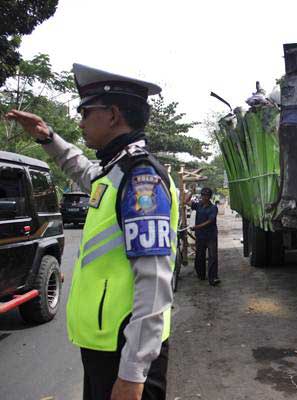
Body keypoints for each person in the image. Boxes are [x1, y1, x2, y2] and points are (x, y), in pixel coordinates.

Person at [5, 63, 178, 400]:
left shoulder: (141, 179)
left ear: (113, 115)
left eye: (85, 111)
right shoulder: (116, 169)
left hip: (126, 350)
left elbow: (155, 284)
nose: (80, 121)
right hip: (108, 344)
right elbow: (84, 170)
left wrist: (133, 373)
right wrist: (47, 137)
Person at [190, 187, 220, 286]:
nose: (204, 197)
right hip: (200, 236)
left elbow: (210, 221)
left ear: (209, 197)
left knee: (213, 257)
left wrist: (197, 226)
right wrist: (191, 191)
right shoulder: (199, 205)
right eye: (202, 195)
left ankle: (213, 278)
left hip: (211, 236)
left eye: (206, 195)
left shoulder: (213, 208)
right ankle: (201, 275)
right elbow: (185, 201)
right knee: (199, 256)